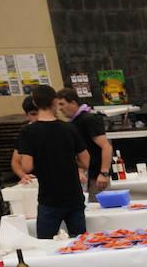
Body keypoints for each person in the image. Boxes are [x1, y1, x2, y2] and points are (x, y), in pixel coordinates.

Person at [16, 85, 88, 239]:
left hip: (49, 198)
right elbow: (85, 161)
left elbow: (27, 167)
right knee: (80, 242)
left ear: (35, 103)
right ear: (55, 101)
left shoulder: (28, 132)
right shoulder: (69, 128)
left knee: (45, 245)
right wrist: (70, 162)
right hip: (74, 196)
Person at [57, 88, 112, 197]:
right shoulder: (73, 122)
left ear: (73, 103)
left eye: (62, 104)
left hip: (96, 176)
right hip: (85, 176)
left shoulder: (88, 119)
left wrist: (104, 173)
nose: (60, 108)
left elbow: (106, 146)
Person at [10, 96, 39, 183]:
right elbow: (15, 161)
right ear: (27, 116)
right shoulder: (25, 133)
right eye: (33, 114)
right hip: (35, 179)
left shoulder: (59, 128)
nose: (38, 117)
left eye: (40, 113)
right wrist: (23, 175)